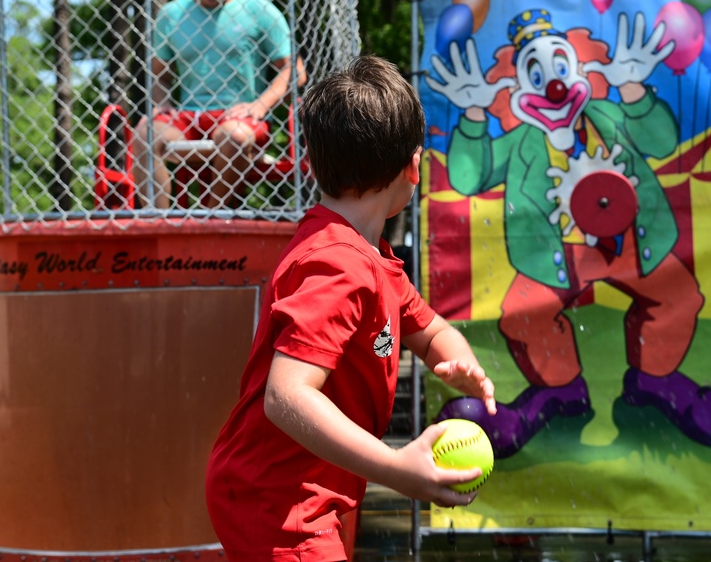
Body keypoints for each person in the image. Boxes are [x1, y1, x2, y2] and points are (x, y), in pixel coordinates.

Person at [204, 56, 498, 561]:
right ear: (414, 166)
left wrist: (459, 361)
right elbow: (286, 396)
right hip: (279, 501)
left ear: (312, 164)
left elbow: (429, 330)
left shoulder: (371, 259)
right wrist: (397, 467)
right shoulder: (338, 265)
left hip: (293, 494)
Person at [133, 0, 302, 209]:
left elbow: (294, 71)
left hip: (239, 118)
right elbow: (159, 75)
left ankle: (213, 219)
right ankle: (159, 222)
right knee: (144, 134)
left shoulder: (259, 10)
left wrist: (260, 105)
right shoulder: (171, 15)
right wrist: (161, 104)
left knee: (231, 137)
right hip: (188, 117)